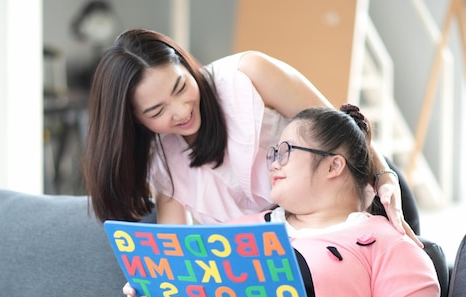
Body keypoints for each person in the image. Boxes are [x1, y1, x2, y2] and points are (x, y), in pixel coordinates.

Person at [104, 104, 441, 297]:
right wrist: (162, 296)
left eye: (286, 152)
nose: (274, 162)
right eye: (273, 153)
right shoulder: (240, 230)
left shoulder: (388, 243)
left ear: (333, 165)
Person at [82, 28, 421, 244]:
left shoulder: (248, 76)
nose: (181, 111)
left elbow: (342, 128)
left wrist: (384, 177)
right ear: (134, 122)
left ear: (187, 66)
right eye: (156, 112)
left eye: (181, 87)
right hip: (283, 257)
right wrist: (152, 292)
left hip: (361, 201)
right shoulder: (160, 162)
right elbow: (176, 252)